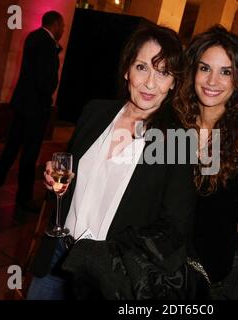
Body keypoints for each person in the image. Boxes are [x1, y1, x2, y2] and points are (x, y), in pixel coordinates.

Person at [27, 25, 198, 300]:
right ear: (127, 70)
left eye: (163, 72)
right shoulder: (95, 112)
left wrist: (109, 254)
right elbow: (70, 181)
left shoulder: (177, 142)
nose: (150, 83)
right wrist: (54, 181)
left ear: (175, 82)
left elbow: (174, 228)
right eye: (142, 67)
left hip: (107, 275)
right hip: (57, 254)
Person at [174, 25, 238, 299]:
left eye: (225, 72)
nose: (211, 81)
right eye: (205, 68)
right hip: (156, 259)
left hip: (205, 271)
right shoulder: (173, 125)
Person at [0, 11, 65, 211]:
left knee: (12, 146)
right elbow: (46, 80)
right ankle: (23, 198)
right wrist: (49, 91)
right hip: (36, 108)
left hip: (22, 103)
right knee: (30, 154)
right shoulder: (48, 45)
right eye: (62, 26)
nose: (63, 30)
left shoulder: (32, 37)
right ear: (56, 24)